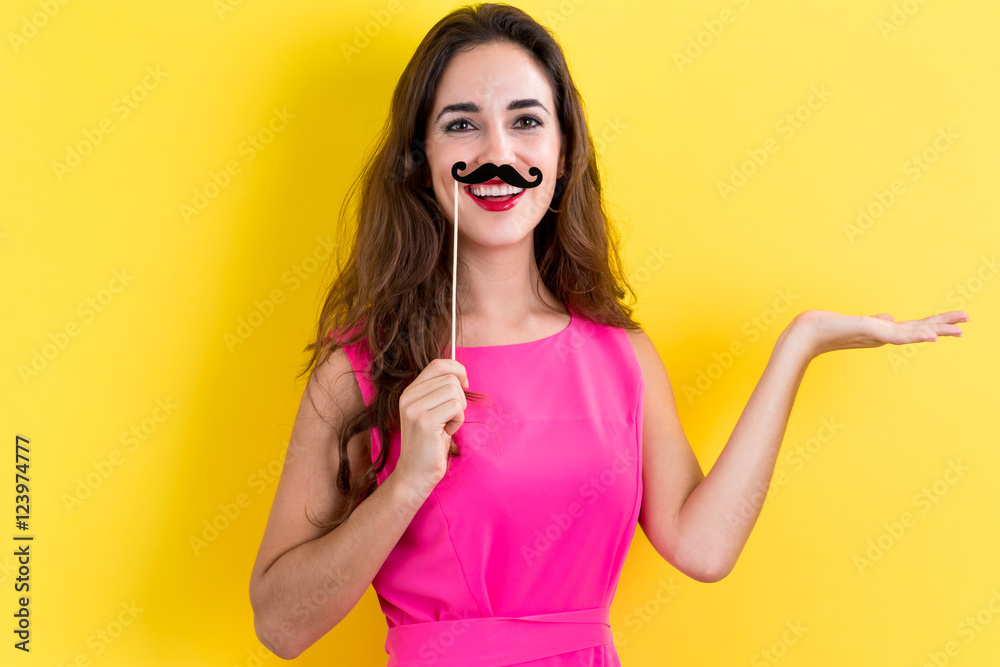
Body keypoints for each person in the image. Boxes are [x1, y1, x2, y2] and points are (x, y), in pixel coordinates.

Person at [248, 3, 969, 664]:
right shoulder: (361, 369)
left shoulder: (619, 357)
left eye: (526, 120)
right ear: (421, 159)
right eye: (462, 123)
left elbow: (704, 544)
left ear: (563, 156)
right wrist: (406, 484)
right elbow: (281, 626)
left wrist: (800, 343)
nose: (497, 148)